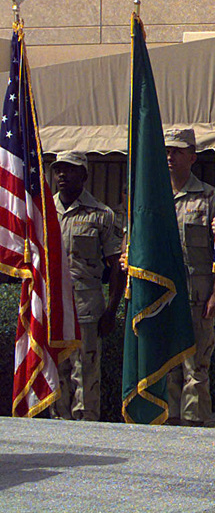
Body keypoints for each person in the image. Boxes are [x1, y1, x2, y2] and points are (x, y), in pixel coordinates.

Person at [51, 151, 124, 421]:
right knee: (57, 373)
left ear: (84, 175)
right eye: (58, 169)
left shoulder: (101, 214)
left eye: (69, 170)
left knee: (85, 373)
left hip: (87, 308)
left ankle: (86, 429)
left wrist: (111, 310)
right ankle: (58, 429)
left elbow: (116, 266)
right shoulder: (45, 210)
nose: (62, 175)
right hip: (54, 306)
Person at [163, 127, 215, 427]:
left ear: (193, 157)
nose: (170, 156)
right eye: (168, 151)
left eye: (178, 151)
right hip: (165, 297)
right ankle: (171, 427)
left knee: (196, 369)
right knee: (169, 366)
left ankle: (196, 431)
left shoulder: (210, 197)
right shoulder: (154, 197)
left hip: (199, 297)